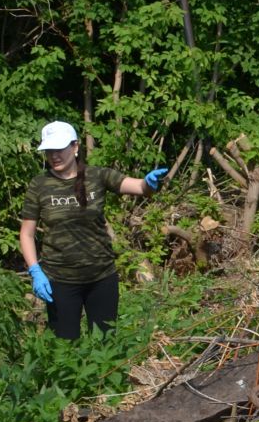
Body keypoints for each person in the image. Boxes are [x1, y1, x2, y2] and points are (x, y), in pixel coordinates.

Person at [18, 121, 169, 339]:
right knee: (64, 346)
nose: (54, 156)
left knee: (105, 342)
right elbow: (27, 233)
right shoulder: (39, 184)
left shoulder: (97, 176)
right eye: (49, 150)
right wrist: (35, 271)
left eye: (59, 149)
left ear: (75, 146)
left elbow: (137, 187)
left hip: (101, 277)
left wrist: (149, 183)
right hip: (60, 281)